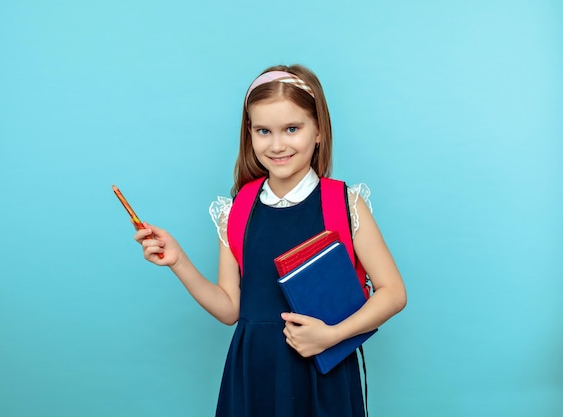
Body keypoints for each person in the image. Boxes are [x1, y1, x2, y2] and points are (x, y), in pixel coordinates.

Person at [134, 64, 407, 417]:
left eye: (292, 129)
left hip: (325, 379)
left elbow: (393, 292)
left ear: (319, 130)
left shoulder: (345, 203)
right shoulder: (236, 211)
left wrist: (332, 335)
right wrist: (179, 261)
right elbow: (230, 308)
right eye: (264, 131)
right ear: (249, 134)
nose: (277, 145)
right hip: (253, 376)